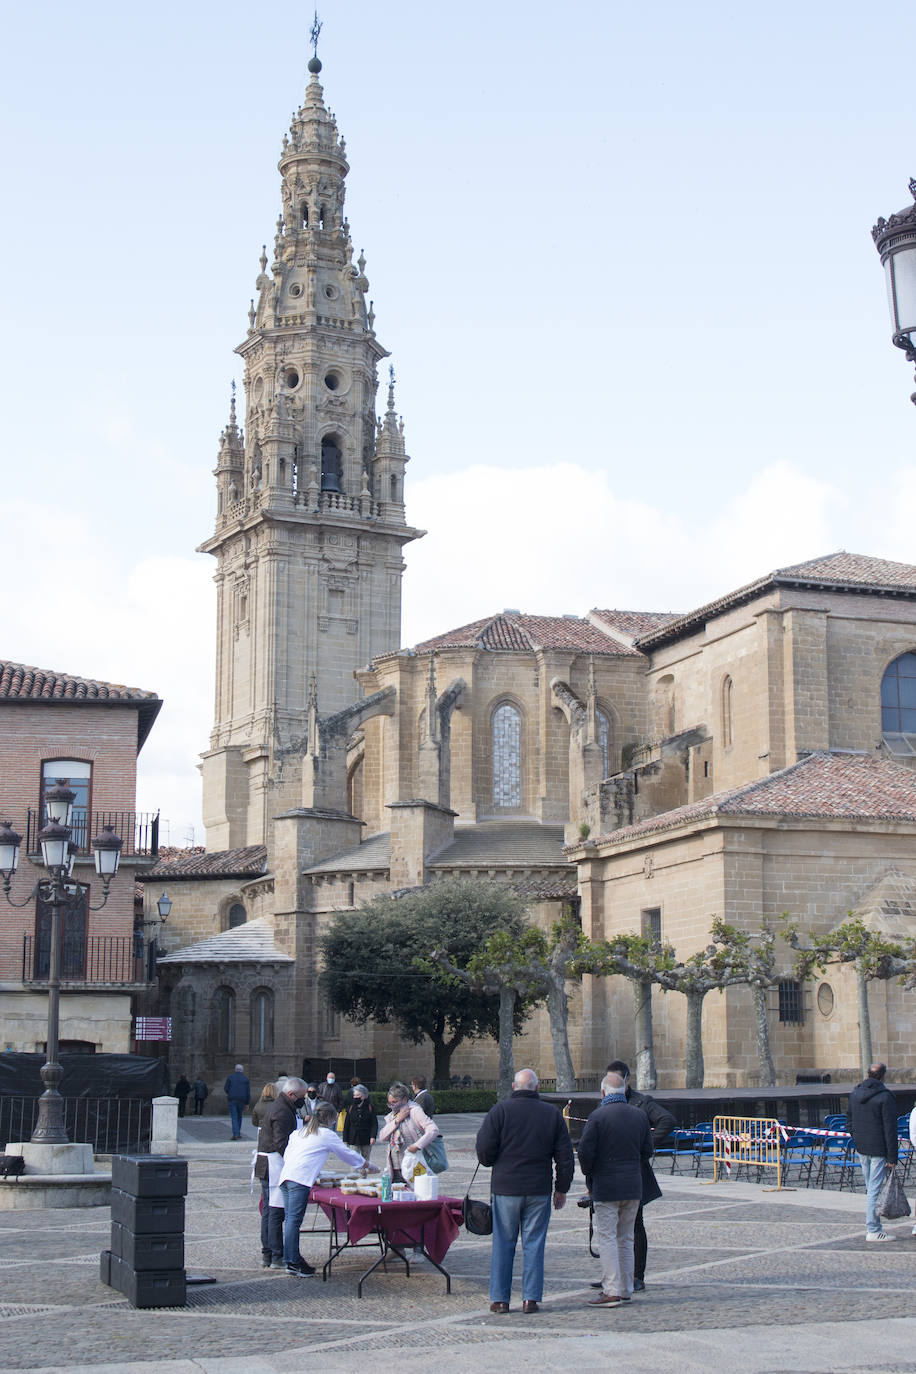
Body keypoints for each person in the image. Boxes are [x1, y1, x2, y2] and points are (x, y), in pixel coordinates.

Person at [475, 1068, 574, 1315]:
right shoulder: (551, 1114)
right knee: (534, 1244)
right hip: (538, 1188)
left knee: (503, 1244)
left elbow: (484, 1150)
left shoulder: (500, 1111)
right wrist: (561, 1188)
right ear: (538, 1088)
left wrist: (495, 1160)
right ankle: (530, 1298)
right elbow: (565, 1157)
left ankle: (500, 1299)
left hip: (506, 1187)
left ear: (513, 1087)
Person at [578, 1069, 653, 1307]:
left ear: (603, 1092)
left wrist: (590, 1175)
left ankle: (611, 1290)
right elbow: (647, 1151)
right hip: (632, 1185)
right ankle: (626, 1288)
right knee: (626, 1237)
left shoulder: (598, 1117)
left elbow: (585, 1153)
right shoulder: (639, 1115)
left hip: (607, 1185)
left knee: (608, 1237)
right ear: (624, 1091)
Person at [601, 1059, 675, 1291]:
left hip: (634, 1172)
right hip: (610, 1172)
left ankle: (636, 1275)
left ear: (628, 1080)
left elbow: (667, 1119)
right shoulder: (605, 1102)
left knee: (635, 1225)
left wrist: (648, 1144)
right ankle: (614, 1276)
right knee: (610, 1228)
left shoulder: (641, 1102)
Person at [279, 1102, 369, 1276]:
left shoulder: (299, 1132)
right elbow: (346, 1153)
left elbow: (290, 1154)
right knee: (294, 1221)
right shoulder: (326, 1134)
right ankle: (294, 1261)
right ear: (329, 1118)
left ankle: (291, 1259)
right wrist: (366, 1164)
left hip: (286, 1177)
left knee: (290, 1220)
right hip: (299, 1180)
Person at [255, 1076, 310, 1270]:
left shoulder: (281, 1106)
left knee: (269, 1211)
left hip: (267, 1162)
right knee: (275, 1211)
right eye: (302, 1096)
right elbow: (281, 1143)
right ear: (291, 1094)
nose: (303, 1100)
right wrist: (294, 1160)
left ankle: (268, 1253)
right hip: (273, 1164)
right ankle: (275, 1254)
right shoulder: (282, 1110)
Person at [848, 1061, 899, 1242]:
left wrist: (857, 1139)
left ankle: (873, 1226)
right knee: (874, 1190)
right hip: (878, 1149)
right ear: (883, 1076)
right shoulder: (885, 1097)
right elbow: (890, 1129)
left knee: (871, 1188)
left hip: (863, 1147)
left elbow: (850, 1121)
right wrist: (893, 1156)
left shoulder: (855, 1093)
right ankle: (873, 1229)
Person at [378, 1081, 439, 1180]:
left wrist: (417, 1145)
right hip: (395, 1167)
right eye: (389, 1103)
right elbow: (382, 1136)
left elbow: (433, 1130)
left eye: (394, 1102)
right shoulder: (392, 1116)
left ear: (405, 1100)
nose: (392, 1106)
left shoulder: (415, 1110)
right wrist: (397, 1120)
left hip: (413, 1164)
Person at [342, 1084, 378, 1161]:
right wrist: (345, 1139)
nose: (355, 1097)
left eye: (358, 1095)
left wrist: (373, 1136)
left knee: (365, 1159)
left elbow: (374, 1124)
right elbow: (346, 1124)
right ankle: (354, 1173)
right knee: (354, 1159)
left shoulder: (370, 1107)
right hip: (353, 1138)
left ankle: (364, 1172)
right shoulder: (351, 1107)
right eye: (354, 1095)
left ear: (364, 1096)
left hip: (366, 1138)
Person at [224, 1064, 251, 1139]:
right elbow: (248, 1092)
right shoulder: (245, 1079)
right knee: (239, 1116)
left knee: (234, 1117)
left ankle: (236, 1133)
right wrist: (247, 1103)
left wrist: (230, 1093)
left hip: (232, 1099)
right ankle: (237, 1133)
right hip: (242, 1100)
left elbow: (226, 1088)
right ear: (242, 1070)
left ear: (235, 1070)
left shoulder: (230, 1077)